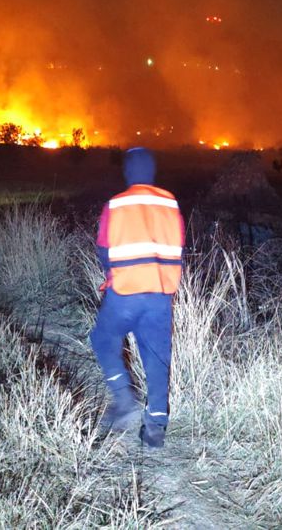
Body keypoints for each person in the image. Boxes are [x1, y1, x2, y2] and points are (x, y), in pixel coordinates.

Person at [90, 147, 184, 448]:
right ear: (152, 171)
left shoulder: (117, 204)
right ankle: (155, 428)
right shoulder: (169, 202)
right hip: (160, 293)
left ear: (128, 171)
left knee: (103, 339)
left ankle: (123, 398)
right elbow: (179, 246)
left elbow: (103, 249)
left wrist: (111, 274)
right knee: (158, 358)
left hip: (125, 292)